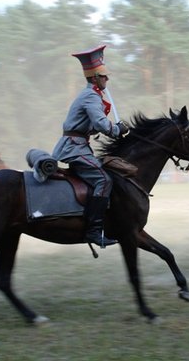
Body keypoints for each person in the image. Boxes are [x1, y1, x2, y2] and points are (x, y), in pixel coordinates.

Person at [52, 45, 129, 248]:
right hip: (74, 148)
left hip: (78, 145)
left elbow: (92, 126)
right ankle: (93, 231)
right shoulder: (91, 96)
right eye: (103, 76)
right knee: (104, 181)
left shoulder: (92, 96)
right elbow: (101, 124)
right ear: (94, 77)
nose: (107, 79)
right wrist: (117, 130)